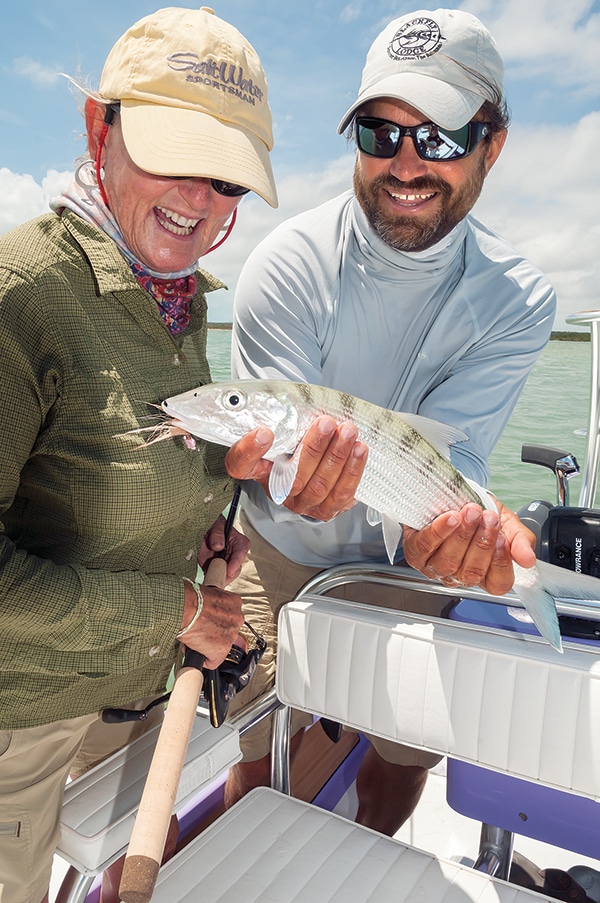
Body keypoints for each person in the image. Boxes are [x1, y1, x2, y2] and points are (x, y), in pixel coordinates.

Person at [0, 8, 365, 903]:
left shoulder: (180, 302)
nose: (199, 201)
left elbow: (108, 475)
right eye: (173, 154)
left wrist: (207, 532)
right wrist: (176, 609)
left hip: (130, 701)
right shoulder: (23, 297)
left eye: (228, 179)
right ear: (100, 130)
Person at [223, 8, 557, 836]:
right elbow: (277, 460)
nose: (407, 162)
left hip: (412, 564)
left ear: (494, 142)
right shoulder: (283, 265)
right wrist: (294, 486)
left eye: (440, 136)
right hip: (284, 552)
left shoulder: (521, 299)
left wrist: (457, 530)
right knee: (258, 751)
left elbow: (457, 451)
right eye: (380, 131)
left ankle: (367, 848)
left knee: (402, 754)